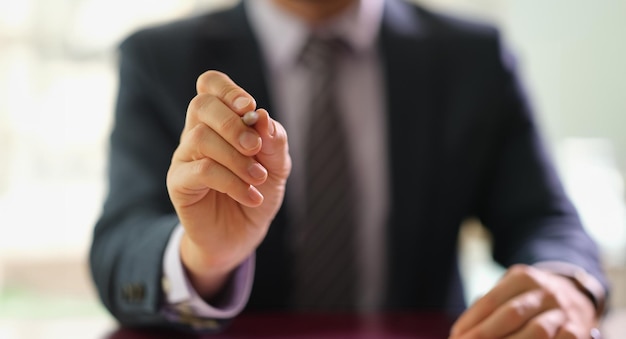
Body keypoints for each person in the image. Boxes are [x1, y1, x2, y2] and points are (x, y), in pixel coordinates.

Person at [90, 0, 609, 337]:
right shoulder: (159, 58)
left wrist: (565, 284)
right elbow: (120, 250)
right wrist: (204, 255)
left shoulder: (473, 55)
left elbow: (546, 219)